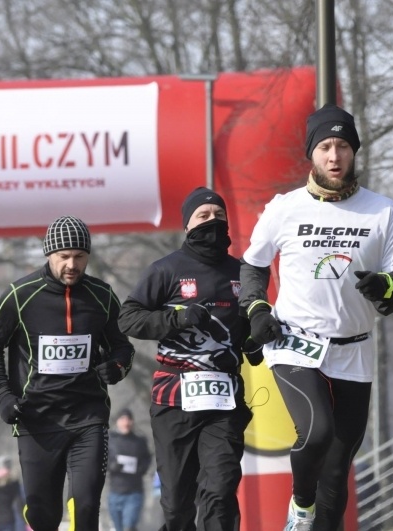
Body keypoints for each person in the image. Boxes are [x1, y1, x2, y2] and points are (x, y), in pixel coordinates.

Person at [239, 103, 393, 531]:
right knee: (316, 433)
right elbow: (252, 266)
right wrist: (257, 308)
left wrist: (385, 287)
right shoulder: (285, 208)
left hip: (354, 348)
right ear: (311, 155)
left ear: (354, 152)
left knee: (338, 471)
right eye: (324, 147)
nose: (334, 156)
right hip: (295, 344)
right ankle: (300, 508)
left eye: (342, 146)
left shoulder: (383, 211)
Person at [118, 187, 262, 530]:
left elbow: (247, 327)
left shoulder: (241, 272)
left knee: (220, 489)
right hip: (174, 399)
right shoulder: (165, 270)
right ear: (187, 225)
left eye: (219, 216)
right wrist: (176, 319)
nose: (212, 221)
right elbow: (128, 318)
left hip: (222, 400)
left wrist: (254, 342)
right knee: (176, 505)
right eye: (203, 215)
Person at [0, 215, 135, 531]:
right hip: (37, 418)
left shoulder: (102, 296)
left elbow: (123, 347)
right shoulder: (20, 296)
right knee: (42, 514)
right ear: (49, 255)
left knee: (86, 505)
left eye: (79, 256)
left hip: (87, 417)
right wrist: (3, 397)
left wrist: (117, 366)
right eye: (64, 256)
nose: (72, 264)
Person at [107, 408, 152, 531]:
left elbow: (147, 458)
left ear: (132, 422)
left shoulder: (139, 441)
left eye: (128, 419)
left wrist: (141, 468)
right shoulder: (110, 439)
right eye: (123, 419)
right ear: (117, 422)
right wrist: (112, 466)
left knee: (129, 526)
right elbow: (101, 460)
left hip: (134, 492)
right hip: (115, 492)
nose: (126, 423)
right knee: (118, 528)